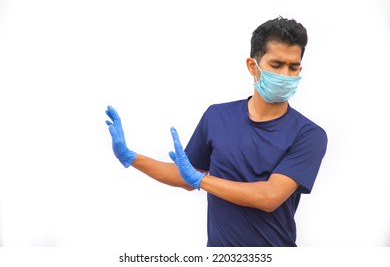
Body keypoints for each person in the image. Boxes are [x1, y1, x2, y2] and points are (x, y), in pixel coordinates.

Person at [105, 17, 328, 247]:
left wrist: (202, 180)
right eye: (276, 65)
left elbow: (268, 197)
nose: (285, 75)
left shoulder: (308, 135)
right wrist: (131, 157)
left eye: (293, 67)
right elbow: (186, 177)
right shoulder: (217, 117)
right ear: (253, 66)